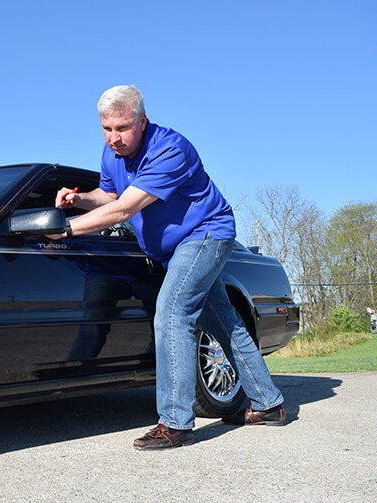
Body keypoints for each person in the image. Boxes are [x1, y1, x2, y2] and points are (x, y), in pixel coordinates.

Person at [51, 85, 285, 450]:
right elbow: (110, 195)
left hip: (205, 235)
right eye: (106, 129)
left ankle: (175, 423)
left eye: (123, 128)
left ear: (141, 121)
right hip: (173, 251)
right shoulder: (113, 153)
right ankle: (268, 404)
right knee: (223, 323)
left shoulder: (169, 149)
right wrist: (78, 199)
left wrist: (64, 229)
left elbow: (125, 209)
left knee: (172, 314)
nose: (114, 138)